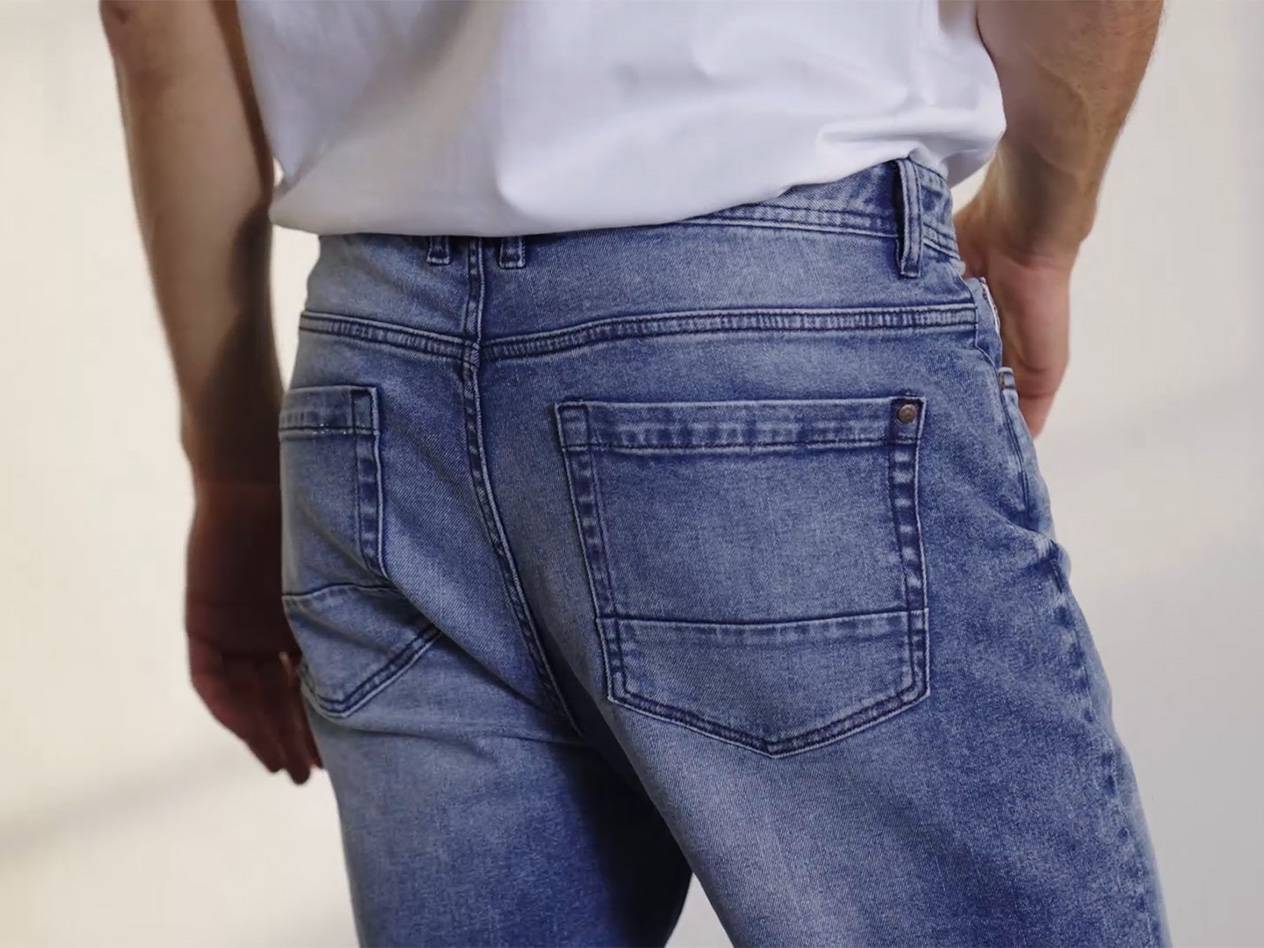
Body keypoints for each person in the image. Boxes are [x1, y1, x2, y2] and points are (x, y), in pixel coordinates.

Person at [101, 1, 1169, 944]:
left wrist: (236, 476)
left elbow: (153, 21)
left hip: (379, 383)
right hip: (762, 334)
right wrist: (1036, 233)